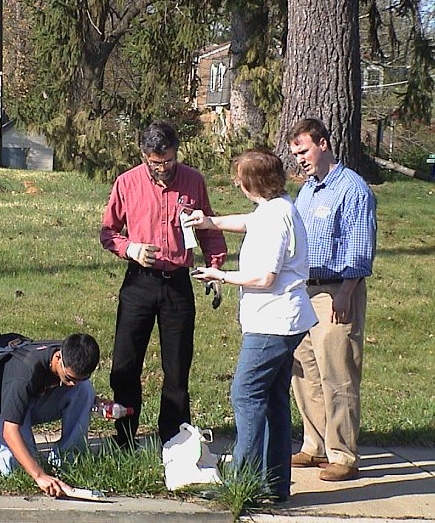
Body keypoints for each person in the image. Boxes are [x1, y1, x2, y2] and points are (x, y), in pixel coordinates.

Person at [186, 149, 318, 502]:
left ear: (252, 183)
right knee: (273, 399)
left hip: (273, 323)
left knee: (246, 394)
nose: (236, 183)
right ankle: (274, 485)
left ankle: (241, 484)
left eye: (239, 178)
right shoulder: (276, 208)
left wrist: (220, 275)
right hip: (286, 319)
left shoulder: (275, 219)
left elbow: (264, 277)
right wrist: (209, 222)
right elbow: (248, 221)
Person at [100, 120, 227, 447]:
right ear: (144, 155)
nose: (163, 168)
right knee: (126, 363)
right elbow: (109, 232)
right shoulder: (127, 182)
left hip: (177, 284)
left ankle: (174, 440)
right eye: (155, 163)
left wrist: (215, 267)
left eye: (168, 161)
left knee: (177, 366)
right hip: (139, 282)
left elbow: (207, 227)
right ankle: (124, 437)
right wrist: (131, 249)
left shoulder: (193, 181)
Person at [287, 118, 377, 482]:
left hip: (337, 291)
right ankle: (315, 445)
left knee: (337, 373)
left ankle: (343, 454)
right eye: (295, 154)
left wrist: (345, 293)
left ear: (323, 144)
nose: (300, 159)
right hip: (304, 290)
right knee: (305, 371)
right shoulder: (308, 190)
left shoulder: (352, 189)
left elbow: (360, 246)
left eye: (304, 151)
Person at [0, 333, 100, 497]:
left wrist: (94, 401)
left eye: (80, 379)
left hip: (28, 404)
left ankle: (67, 458)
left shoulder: (71, 353)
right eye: (69, 378)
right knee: (16, 466)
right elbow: (10, 431)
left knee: (85, 390)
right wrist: (39, 475)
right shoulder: (24, 372)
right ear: (58, 357)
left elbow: (76, 386)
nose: (72, 384)